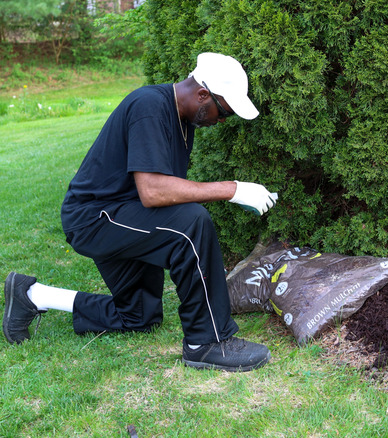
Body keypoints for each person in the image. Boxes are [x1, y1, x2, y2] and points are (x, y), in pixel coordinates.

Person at [2, 53, 276, 372]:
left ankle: (32, 295)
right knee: (192, 224)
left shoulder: (181, 120)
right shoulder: (150, 106)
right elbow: (154, 192)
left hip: (122, 217)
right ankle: (207, 342)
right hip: (95, 219)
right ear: (203, 95)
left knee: (139, 316)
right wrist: (233, 189)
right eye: (224, 110)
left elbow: (163, 194)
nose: (222, 120)